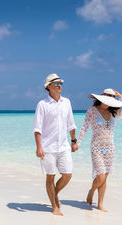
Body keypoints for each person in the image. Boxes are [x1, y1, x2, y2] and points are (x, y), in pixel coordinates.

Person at [77, 88, 122, 212]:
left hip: (110, 149)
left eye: (112, 98)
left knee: (105, 178)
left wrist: (120, 96)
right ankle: (91, 192)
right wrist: (78, 142)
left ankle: (100, 204)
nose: (109, 99)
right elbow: (84, 127)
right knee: (100, 177)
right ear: (101, 97)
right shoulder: (92, 111)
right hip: (96, 148)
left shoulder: (116, 112)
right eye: (107, 96)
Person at [33, 73, 78, 216]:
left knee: (67, 175)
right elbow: (37, 128)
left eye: (60, 83)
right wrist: (39, 147)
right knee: (50, 177)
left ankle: (55, 194)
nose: (59, 85)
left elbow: (71, 124)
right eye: (56, 83)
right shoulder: (42, 104)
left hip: (64, 146)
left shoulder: (67, 102)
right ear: (48, 87)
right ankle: (54, 206)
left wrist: (73, 141)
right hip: (48, 148)